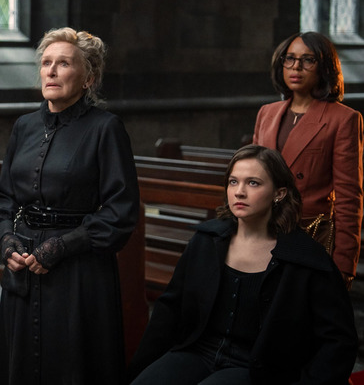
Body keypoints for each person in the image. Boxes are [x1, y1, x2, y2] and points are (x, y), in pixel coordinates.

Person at [128, 144, 357, 384]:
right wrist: (141, 368)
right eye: (233, 182)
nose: (239, 192)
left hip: (256, 367)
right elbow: (169, 309)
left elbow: (338, 340)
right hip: (199, 352)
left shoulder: (306, 258)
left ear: (279, 193)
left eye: (253, 183)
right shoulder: (207, 241)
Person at [0, 27, 141, 384]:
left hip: (79, 272)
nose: (51, 71)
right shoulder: (24, 126)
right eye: (46, 63)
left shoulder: (106, 128)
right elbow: (5, 195)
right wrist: (7, 240)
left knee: (74, 365)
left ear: (88, 78)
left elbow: (120, 212)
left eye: (64, 64)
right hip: (23, 264)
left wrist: (61, 246)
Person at [253, 32, 363, 288]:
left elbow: (349, 197)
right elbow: (252, 178)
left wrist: (344, 264)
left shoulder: (343, 119)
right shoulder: (266, 113)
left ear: (325, 67)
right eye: (289, 59)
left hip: (310, 237)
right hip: (262, 232)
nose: (296, 67)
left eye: (308, 60)